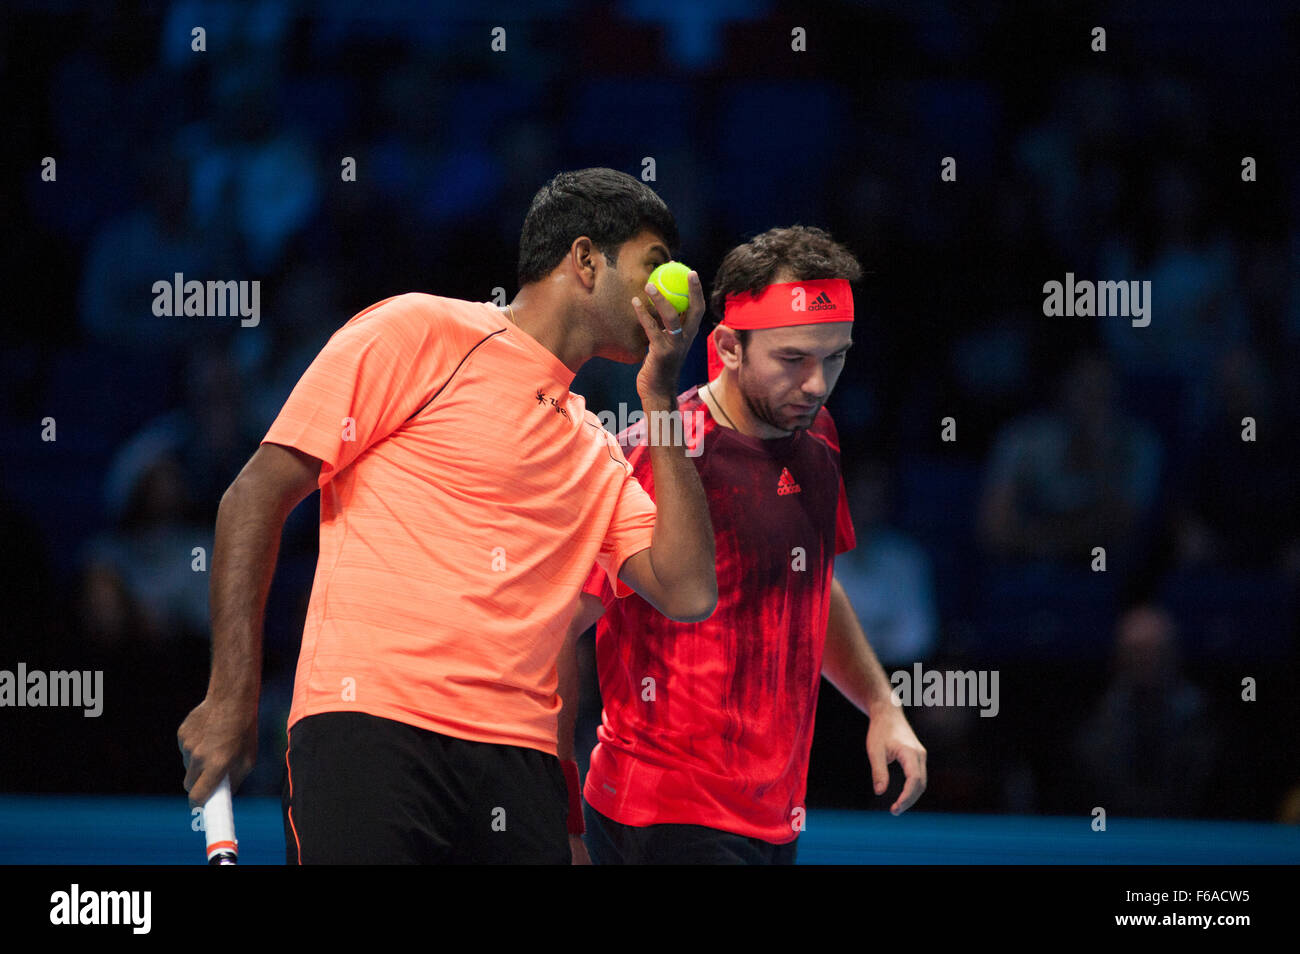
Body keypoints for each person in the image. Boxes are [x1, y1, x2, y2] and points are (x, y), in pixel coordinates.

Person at [177, 168, 718, 863]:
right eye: (654, 266)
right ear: (585, 260)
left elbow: (690, 589)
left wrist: (661, 398)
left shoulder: (599, 452)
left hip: (518, 769)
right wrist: (231, 699)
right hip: (372, 731)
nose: (667, 293)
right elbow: (254, 496)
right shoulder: (422, 329)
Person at [561, 226, 926, 865]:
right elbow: (563, 627)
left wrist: (880, 703)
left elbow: (809, 585)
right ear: (728, 347)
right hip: (661, 813)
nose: (817, 384)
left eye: (835, 358)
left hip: (770, 818)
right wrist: (561, 815)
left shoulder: (819, 437)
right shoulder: (659, 453)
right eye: (792, 359)